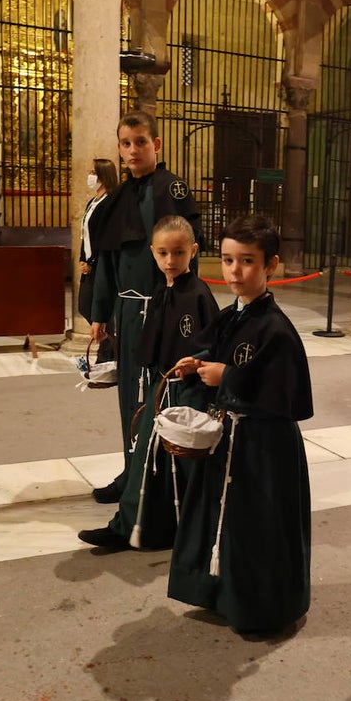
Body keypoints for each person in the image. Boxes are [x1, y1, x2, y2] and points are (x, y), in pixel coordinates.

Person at [168, 215, 312, 637]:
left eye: (247, 261)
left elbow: (285, 395)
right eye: (228, 260)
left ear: (272, 266)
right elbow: (214, 349)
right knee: (224, 519)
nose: (235, 270)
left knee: (257, 526)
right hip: (230, 436)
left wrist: (226, 376)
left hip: (263, 447)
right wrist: (196, 365)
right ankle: (223, 594)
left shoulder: (276, 329)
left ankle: (261, 608)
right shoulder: (233, 315)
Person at [78, 215, 219, 551]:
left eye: (179, 253)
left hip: (184, 394)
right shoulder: (161, 290)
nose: (170, 261)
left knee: (159, 461)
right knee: (146, 458)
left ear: (193, 251)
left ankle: (139, 528)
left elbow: (211, 343)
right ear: (153, 255)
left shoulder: (198, 294)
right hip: (160, 387)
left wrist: (195, 362)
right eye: (163, 253)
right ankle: (132, 526)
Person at [89, 111, 206, 504]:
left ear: (156, 145)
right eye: (125, 143)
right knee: (129, 399)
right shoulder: (118, 198)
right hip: (126, 313)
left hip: (164, 312)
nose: (133, 150)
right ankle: (130, 472)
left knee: (160, 395)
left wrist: (180, 305)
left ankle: (159, 480)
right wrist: (100, 314)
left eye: (140, 141)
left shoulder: (173, 190)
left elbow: (188, 251)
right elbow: (106, 260)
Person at [77, 158, 120, 363]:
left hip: (100, 263)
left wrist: (92, 262)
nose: (90, 175)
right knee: (84, 306)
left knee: (99, 308)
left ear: (103, 175)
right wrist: (82, 259)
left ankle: (108, 352)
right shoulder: (92, 201)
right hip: (89, 263)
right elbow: (85, 234)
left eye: (93, 172)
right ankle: (110, 346)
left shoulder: (109, 202)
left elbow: (105, 237)